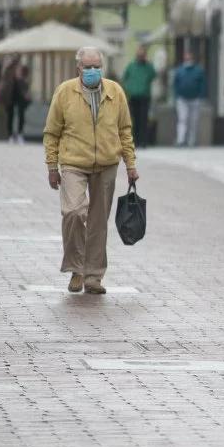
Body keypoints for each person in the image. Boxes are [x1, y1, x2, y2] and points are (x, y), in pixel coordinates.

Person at [42, 46, 138, 295]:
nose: (93, 71)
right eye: (88, 67)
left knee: (98, 222)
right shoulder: (65, 92)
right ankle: (76, 268)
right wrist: (53, 166)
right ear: (79, 68)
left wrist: (131, 164)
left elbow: (125, 130)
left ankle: (93, 276)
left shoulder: (115, 92)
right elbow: (51, 133)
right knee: (73, 212)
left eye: (97, 66)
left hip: (106, 164)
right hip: (73, 162)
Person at [122, 45, 157, 148]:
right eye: (139, 54)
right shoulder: (131, 66)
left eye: (142, 54)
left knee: (144, 119)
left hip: (144, 96)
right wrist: (128, 89)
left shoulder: (148, 66)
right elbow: (125, 77)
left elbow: (153, 75)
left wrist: (148, 63)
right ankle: (135, 141)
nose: (140, 56)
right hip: (133, 96)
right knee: (134, 119)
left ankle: (143, 142)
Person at [173, 50, 206, 147]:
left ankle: (192, 141)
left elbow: (203, 84)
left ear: (192, 58)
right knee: (182, 119)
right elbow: (175, 84)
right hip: (182, 99)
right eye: (186, 57)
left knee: (193, 121)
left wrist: (201, 96)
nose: (188, 59)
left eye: (189, 57)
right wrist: (177, 96)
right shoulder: (179, 70)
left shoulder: (199, 70)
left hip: (195, 99)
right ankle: (180, 140)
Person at [1, 61, 32, 144]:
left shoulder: (23, 75)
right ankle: (10, 135)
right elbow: (4, 83)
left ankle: (20, 134)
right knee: (10, 116)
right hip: (11, 97)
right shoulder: (9, 75)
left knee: (21, 115)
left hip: (21, 98)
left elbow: (26, 85)